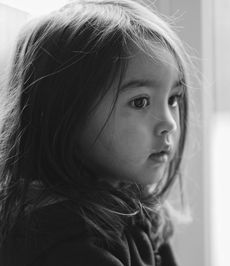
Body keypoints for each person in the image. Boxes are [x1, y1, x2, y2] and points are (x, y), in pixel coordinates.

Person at [0, 0, 192, 265]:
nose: (169, 122)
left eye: (173, 98)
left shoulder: (132, 204)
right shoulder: (68, 246)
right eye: (140, 102)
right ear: (65, 114)